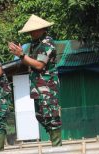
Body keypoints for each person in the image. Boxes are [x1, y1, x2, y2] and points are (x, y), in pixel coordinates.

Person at [8, 14, 62, 146]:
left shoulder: (47, 43)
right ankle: (53, 141)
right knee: (40, 115)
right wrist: (21, 56)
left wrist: (21, 55)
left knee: (51, 117)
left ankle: (57, 147)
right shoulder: (34, 44)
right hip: (37, 85)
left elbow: (39, 65)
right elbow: (30, 63)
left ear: (42, 29)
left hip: (47, 86)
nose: (31, 33)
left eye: (33, 30)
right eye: (30, 31)